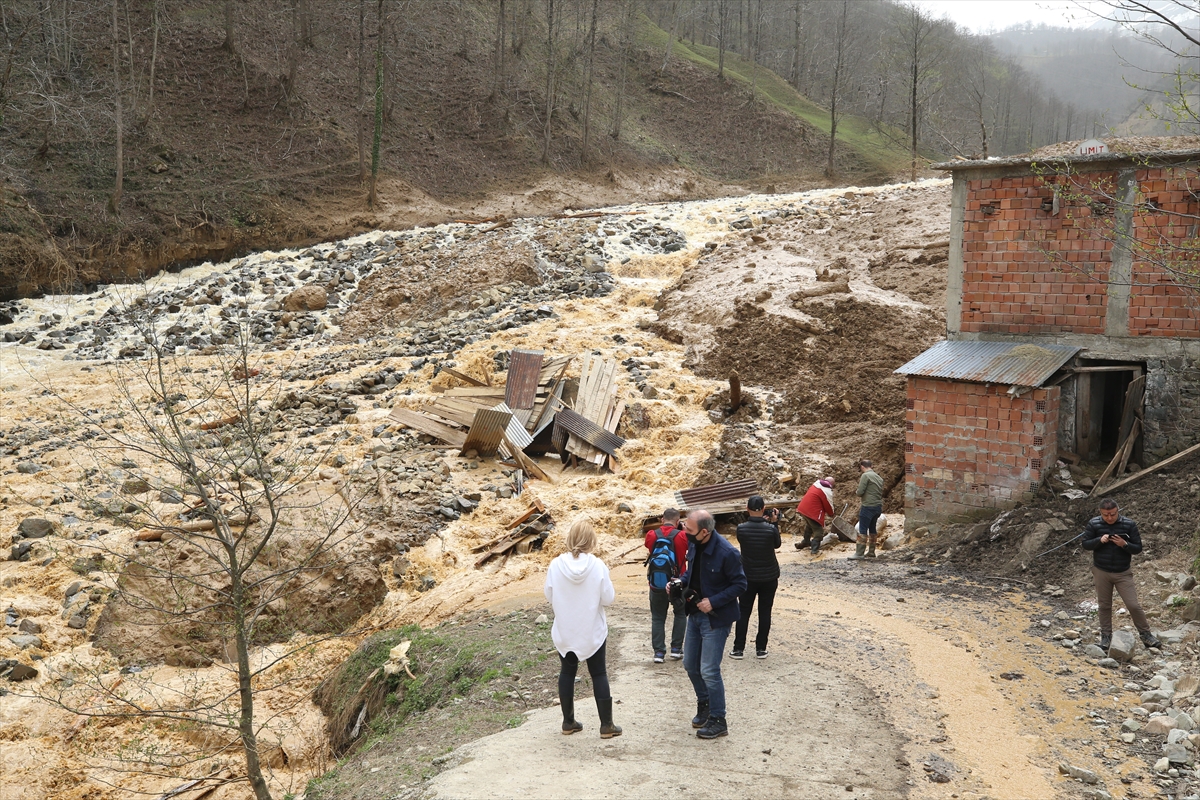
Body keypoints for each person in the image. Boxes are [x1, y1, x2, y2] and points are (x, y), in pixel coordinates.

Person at [670, 509, 747, 740]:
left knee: (709, 671)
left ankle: (718, 719)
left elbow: (740, 585)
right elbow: (692, 574)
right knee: (690, 665)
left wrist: (713, 602)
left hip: (716, 619)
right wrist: (678, 582)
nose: (685, 532)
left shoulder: (727, 552)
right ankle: (704, 704)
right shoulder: (695, 544)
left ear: (704, 532)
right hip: (694, 614)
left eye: (690, 530)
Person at [544, 518, 622, 738]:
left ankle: (568, 722)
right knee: (599, 673)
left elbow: (549, 595)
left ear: (570, 538)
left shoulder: (555, 564)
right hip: (592, 629)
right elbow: (608, 598)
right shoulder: (597, 565)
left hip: (566, 629)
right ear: (591, 540)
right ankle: (606, 725)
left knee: (567, 672)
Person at [1081, 499, 1162, 652]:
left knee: (1133, 605)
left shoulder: (1129, 524)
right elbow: (1086, 544)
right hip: (1101, 571)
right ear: (1100, 513)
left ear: (1118, 511)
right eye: (1105, 515)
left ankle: (1146, 635)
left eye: (1112, 514)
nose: (1109, 518)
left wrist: (1124, 544)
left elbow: (1138, 548)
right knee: (1104, 605)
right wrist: (1099, 540)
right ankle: (1106, 637)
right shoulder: (1094, 524)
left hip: (1123, 572)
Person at [731, 496, 781, 659]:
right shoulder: (770, 528)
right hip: (769, 576)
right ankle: (761, 649)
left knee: (743, 612)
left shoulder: (741, 529)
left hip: (748, 576)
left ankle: (738, 649)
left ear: (747, 508)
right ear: (764, 507)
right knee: (765, 612)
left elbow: (744, 543)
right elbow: (777, 544)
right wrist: (773, 523)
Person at [644, 508, 689, 663]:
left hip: (657, 583)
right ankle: (676, 649)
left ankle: (658, 653)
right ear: (677, 522)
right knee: (680, 614)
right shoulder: (682, 536)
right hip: (678, 582)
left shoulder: (651, 535)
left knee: (657, 617)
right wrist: (682, 529)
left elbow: (648, 547)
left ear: (662, 519)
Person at [850, 460, 885, 560]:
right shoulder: (879, 477)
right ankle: (871, 552)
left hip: (868, 506)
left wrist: (857, 492)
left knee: (863, 528)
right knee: (873, 529)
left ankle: (859, 553)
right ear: (871, 466)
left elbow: (860, 492)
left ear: (862, 467)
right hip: (878, 507)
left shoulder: (865, 475)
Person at [796, 477, 835, 554]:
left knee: (810, 525)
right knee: (818, 531)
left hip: (802, 508)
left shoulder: (816, 484)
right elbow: (828, 505)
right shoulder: (826, 491)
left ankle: (806, 541)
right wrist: (831, 513)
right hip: (812, 512)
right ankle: (814, 549)